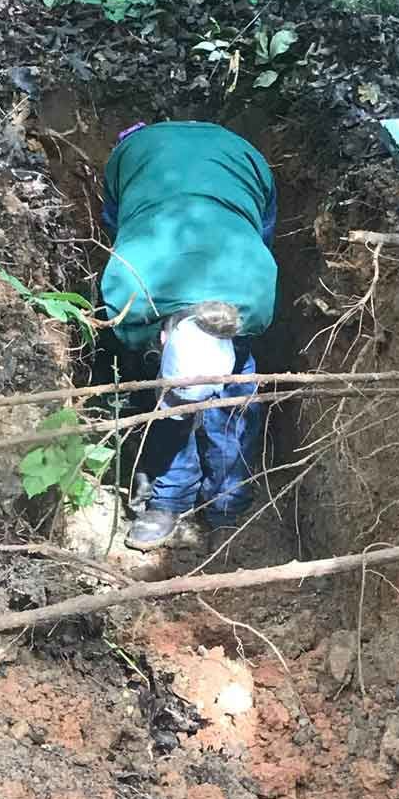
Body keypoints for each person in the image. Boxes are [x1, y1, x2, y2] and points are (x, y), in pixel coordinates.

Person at [99, 121, 278, 551]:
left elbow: (257, 229)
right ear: (159, 340)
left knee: (229, 398)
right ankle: (168, 499)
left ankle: (227, 499)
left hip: (239, 199)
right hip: (227, 160)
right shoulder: (129, 291)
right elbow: (121, 222)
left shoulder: (252, 292)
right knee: (177, 399)